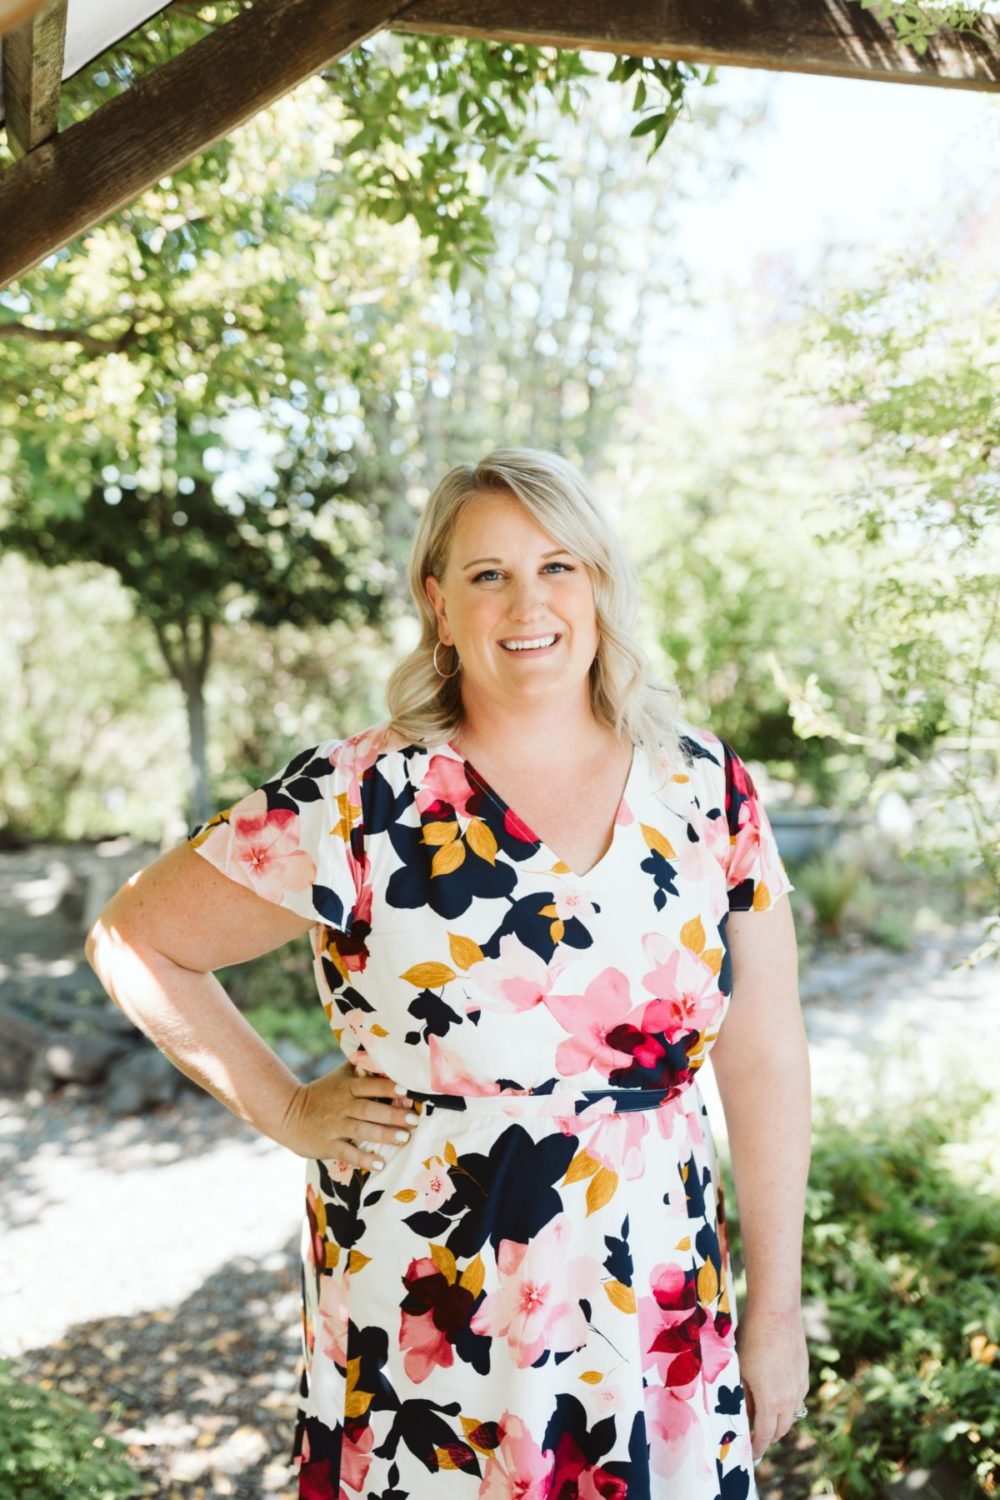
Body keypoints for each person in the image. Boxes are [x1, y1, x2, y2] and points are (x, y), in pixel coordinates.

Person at [86, 446, 811, 1499]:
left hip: (648, 1307)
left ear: (600, 583)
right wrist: (286, 1107)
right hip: (423, 1311)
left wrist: (776, 1313)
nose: (529, 601)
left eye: (559, 566)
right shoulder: (355, 796)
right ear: (438, 600)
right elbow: (136, 941)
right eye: (488, 574)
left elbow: (766, 1055)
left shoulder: (707, 789)